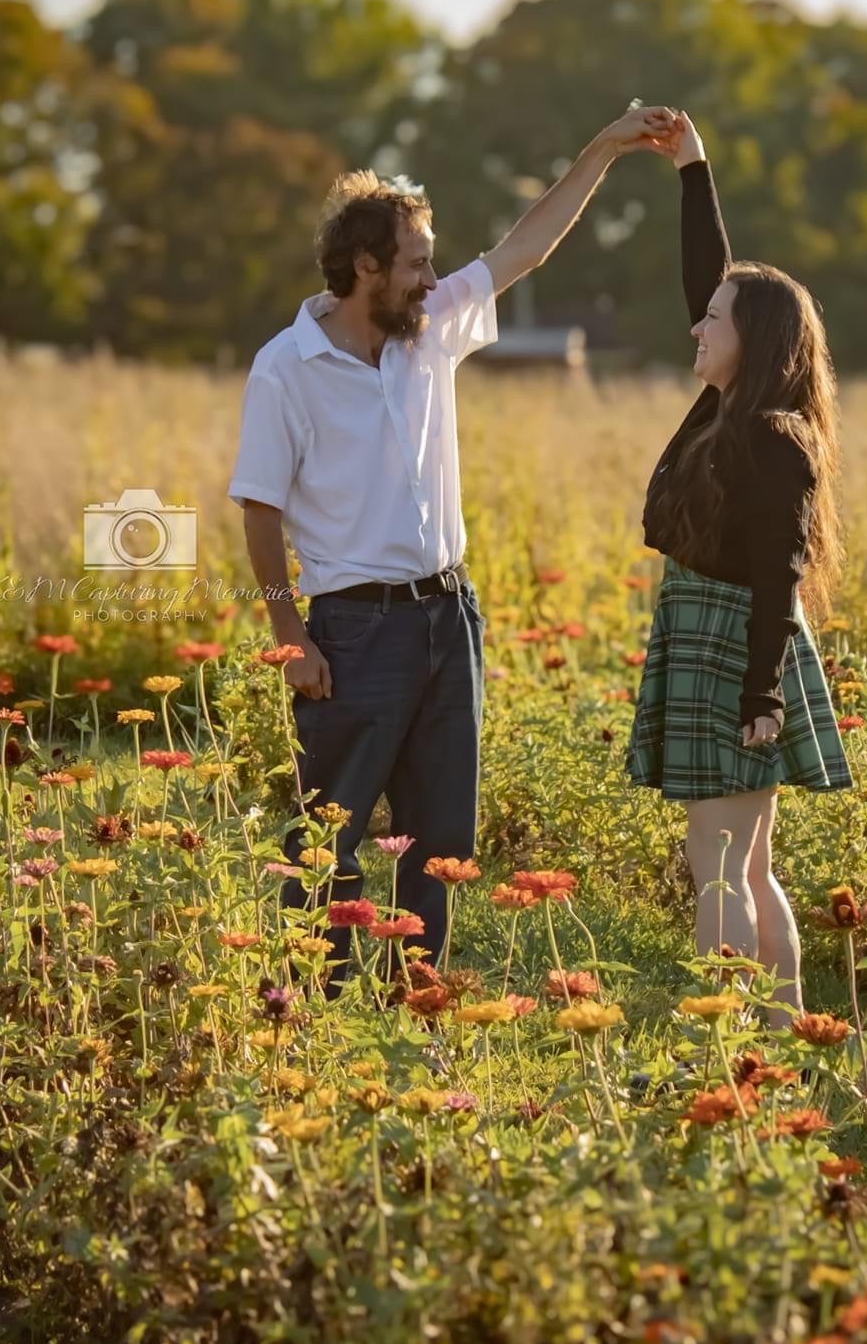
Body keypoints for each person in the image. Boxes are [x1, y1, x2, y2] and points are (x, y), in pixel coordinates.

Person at [230, 104, 679, 992]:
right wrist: (292, 640)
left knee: (440, 837)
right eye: (418, 261)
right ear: (366, 268)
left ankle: (418, 992)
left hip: (447, 614)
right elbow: (257, 507)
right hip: (352, 631)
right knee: (333, 826)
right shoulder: (285, 365)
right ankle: (312, 998)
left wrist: (602, 147)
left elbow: (525, 249)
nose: (434, 276)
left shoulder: (427, 329)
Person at [625, 108, 853, 1028]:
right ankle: (785, 1034)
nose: (695, 327)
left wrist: (760, 695)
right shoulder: (731, 411)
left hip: (733, 649)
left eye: (711, 321)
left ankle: (725, 1043)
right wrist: (691, 170)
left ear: (749, 340)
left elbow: (780, 576)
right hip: (714, 639)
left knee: (716, 867)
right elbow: (709, 281)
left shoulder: (768, 440)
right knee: (745, 865)